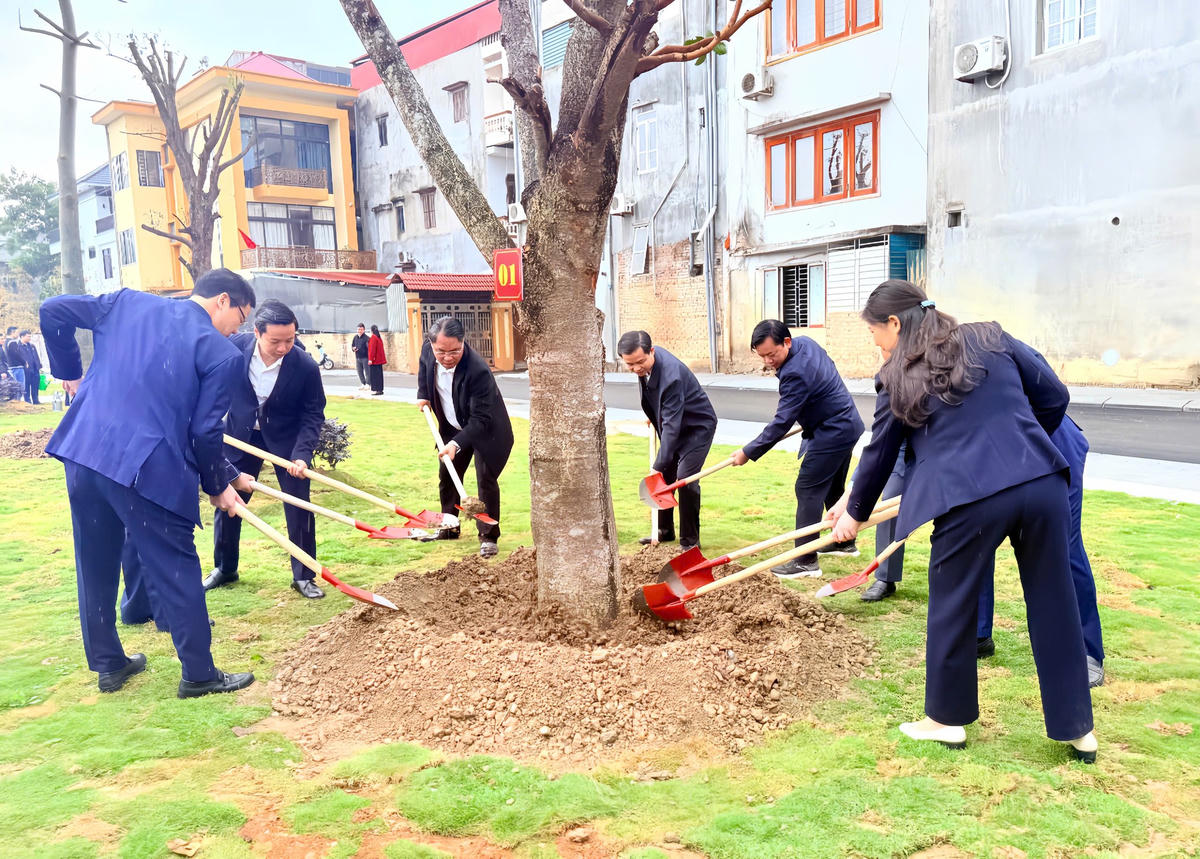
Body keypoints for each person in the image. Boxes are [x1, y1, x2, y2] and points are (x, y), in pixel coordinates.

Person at [829, 279, 1096, 762]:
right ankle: (1078, 729)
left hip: (965, 498)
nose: (877, 346)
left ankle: (945, 721)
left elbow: (881, 450)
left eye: (875, 335)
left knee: (952, 604)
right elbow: (1054, 396)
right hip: (1040, 482)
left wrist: (854, 514)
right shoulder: (988, 336)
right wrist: (1020, 437)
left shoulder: (897, 374)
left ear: (894, 323)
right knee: (1054, 602)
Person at [38, 268, 257, 698]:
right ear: (223, 301)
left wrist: (71, 371)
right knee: (176, 565)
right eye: (242, 317)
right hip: (145, 468)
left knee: (94, 560)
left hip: (84, 450)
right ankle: (198, 674)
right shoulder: (221, 352)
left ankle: (109, 664)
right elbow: (204, 433)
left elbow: (51, 310)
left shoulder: (128, 302)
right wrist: (216, 486)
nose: (239, 328)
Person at [205, 299, 328, 599]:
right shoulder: (232, 348)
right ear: (257, 333)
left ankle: (304, 575)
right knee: (229, 500)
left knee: (298, 504)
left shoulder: (305, 366)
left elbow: (313, 414)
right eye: (276, 341)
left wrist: (302, 454)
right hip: (240, 435)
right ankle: (225, 567)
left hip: (285, 441)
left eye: (290, 340)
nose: (284, 347)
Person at [976, 414, 1106, 687]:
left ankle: (1086, 650)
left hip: (1053, 442)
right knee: (976, 536)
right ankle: (978, 634)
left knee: (1063, 544)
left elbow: (1054, 394)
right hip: (993, 448)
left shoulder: (1008, 369)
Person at [731, 320, 864, 579]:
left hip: (833, 432)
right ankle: (844, 542)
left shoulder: (794, 373)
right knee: (833, 488)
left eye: (772, 354)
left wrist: (747, 452)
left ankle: (805, 560)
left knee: (807, 488)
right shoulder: (806, 343)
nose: (769, 361)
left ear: (787, 343)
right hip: (846, 422)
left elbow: (781, 422)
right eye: (763, 356)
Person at [415, 316, 514, 558]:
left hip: (486, 430)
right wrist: (423, 394)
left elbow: (481, 419)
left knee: (485, 480)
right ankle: (449, 526)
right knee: (447, 474)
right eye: (442, 351)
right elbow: (424, 368)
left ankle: (488, 537)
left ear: (463, 343)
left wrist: (457, 443)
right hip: (452, 424)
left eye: (454, 351)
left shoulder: (478, 370)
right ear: (432, 345)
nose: (447, 357)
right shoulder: (429, 351)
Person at [618, 330, 717, 550]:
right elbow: (657, 399)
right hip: (673, 423)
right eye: (629, 364)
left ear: (651, 351)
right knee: (666, 476)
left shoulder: (671, 375)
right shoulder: (646, 364)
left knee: (684, 479)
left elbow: (672, 427)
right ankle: (663, 531)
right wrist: (654, 417)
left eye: (640, 362)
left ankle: (690, 542)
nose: (636, 369)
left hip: (696, 428)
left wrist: (656, 469)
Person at [16, 330, 42, 404]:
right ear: (22, 336)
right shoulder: (18, 346)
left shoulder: (32, 346)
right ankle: (27, 400)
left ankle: (36, 400)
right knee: (26, 385)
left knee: (35, 385)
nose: (30, 338)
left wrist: (39, 365)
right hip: (25, 370)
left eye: (30, 336)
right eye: (28, 336)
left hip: (35, 369)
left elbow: (36, 356)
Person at [3, 327, 23, 399]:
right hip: (16, 366)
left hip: (11, 366)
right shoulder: (12, 342)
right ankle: (17, 402)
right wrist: (24, 362)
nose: (18, 334)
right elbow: (17, 354)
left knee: (14, 386)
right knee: (19, 386)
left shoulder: (5, 342)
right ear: (12, 333)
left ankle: (15, 401)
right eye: (17, 332)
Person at [367, 324, 386, 395]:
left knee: (375, 376)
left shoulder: (373, 338)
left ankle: (376, 389)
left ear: (371, 330)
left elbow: (372, 349)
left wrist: (370, 359)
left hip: (375, 360)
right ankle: (380, 389)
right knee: (379, 375)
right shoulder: (378, 338)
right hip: (379, 360)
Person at [350, 322, 370, 390]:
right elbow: (352, 345)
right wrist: (353, 348)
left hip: (365, 357)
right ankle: (363, 383)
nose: (359, 331)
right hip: (358, 357)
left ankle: (368, 384)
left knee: (367, 372)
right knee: (359, 372)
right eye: (358, 329)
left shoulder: (367, 338)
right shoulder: (355, 337)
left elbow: (369, 348)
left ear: (364, 330)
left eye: (361, 329)